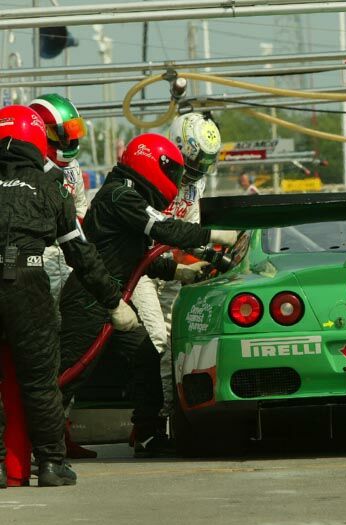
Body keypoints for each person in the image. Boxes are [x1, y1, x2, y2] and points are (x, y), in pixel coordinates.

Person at [58, 133, 238, 458]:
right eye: (171, 173)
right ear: (153, 165)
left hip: (111, 300)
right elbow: (165, 229)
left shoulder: (126, 196)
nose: (174, 182)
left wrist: (179, 272)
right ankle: (39, 444)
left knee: (146, 354)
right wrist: (216, 235)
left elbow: (140, 259)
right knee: (69, 372)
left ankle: (146, 432)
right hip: (89, 298)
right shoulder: (120, 197)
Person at [0, 105, 138, 487]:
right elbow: (81, 253)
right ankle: (50, 464)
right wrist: (113, 302)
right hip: (27, 282)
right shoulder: (51, 185)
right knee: (40, 381)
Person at [131, 112, 222, 420]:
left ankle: (164, 419)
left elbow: (191, 233)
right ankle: (147, 423)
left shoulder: (197, 184)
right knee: (155, 339)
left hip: (172, 270)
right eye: (193, 162)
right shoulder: (146, 169)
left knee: (171, 344)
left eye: (203, 164)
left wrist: (209, 259)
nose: (196, 170)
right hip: (140, 268)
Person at [29, 95, 89, 328]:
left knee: (72, 322)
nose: (68, 141)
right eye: (61, 134)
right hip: (40, 257)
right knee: (44, 323)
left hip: (70, 253)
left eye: (72, 133)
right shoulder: (29, 168)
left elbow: (81, 206)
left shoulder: (73, 166)